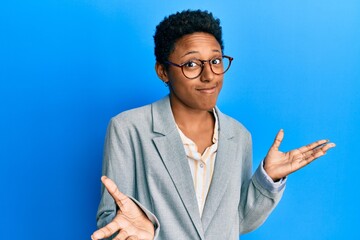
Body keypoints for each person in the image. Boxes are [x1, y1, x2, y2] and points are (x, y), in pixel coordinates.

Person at [91, 10, 335, 240]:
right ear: (163, 71)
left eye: (216, 61)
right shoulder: (128, 129)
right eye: (192, 64)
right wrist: (145, 232)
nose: (209, 75)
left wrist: (267, 180)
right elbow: (111, 220)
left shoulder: (238, 135)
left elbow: (237, 221)